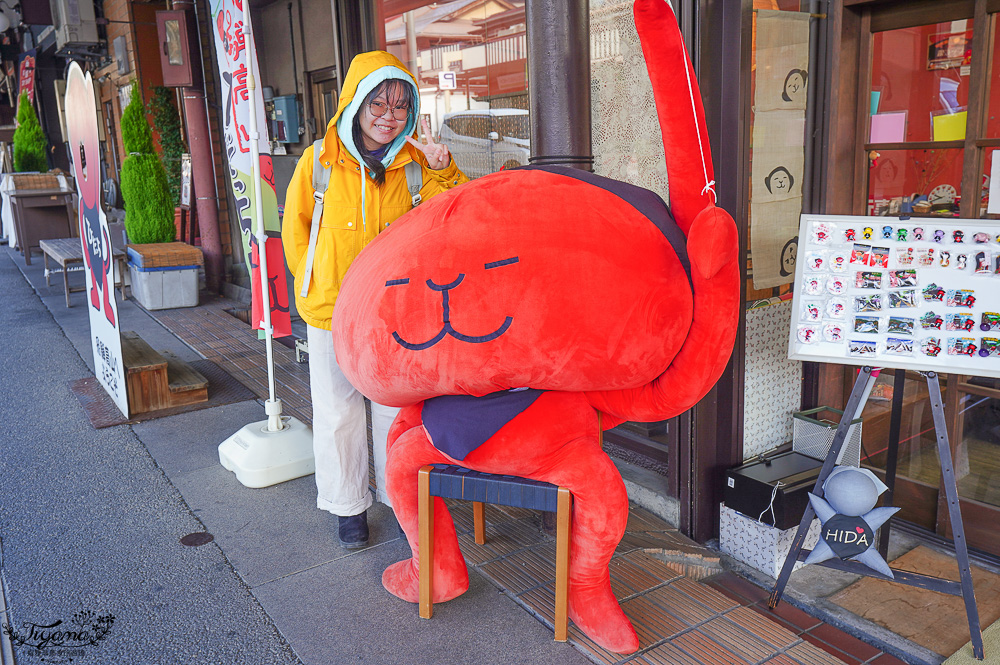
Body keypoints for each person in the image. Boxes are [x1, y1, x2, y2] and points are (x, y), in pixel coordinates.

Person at [282, 51, 468, 548]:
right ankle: (348, 508)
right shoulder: (319, 161)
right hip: (331, 311)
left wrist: (445, 169)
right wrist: (312, 280)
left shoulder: (416, 165)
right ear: (356, 105)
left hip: (397, 314)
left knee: (395, 411)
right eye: (378, 105)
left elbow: (460, 216)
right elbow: (295, 230)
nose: (389, 117)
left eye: (400, 107)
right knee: (338, 410)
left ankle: (397, 497)